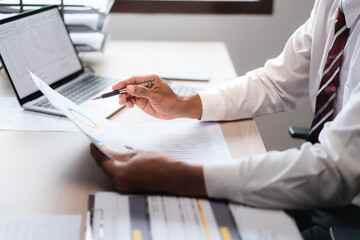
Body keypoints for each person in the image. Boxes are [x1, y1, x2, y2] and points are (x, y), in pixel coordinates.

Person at [90, 0, 360, 239]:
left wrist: (174, 177)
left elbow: (335, 172)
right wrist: (184, 105)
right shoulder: (334, 5)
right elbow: (276, 83)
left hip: (347, 214)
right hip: (321, 192)